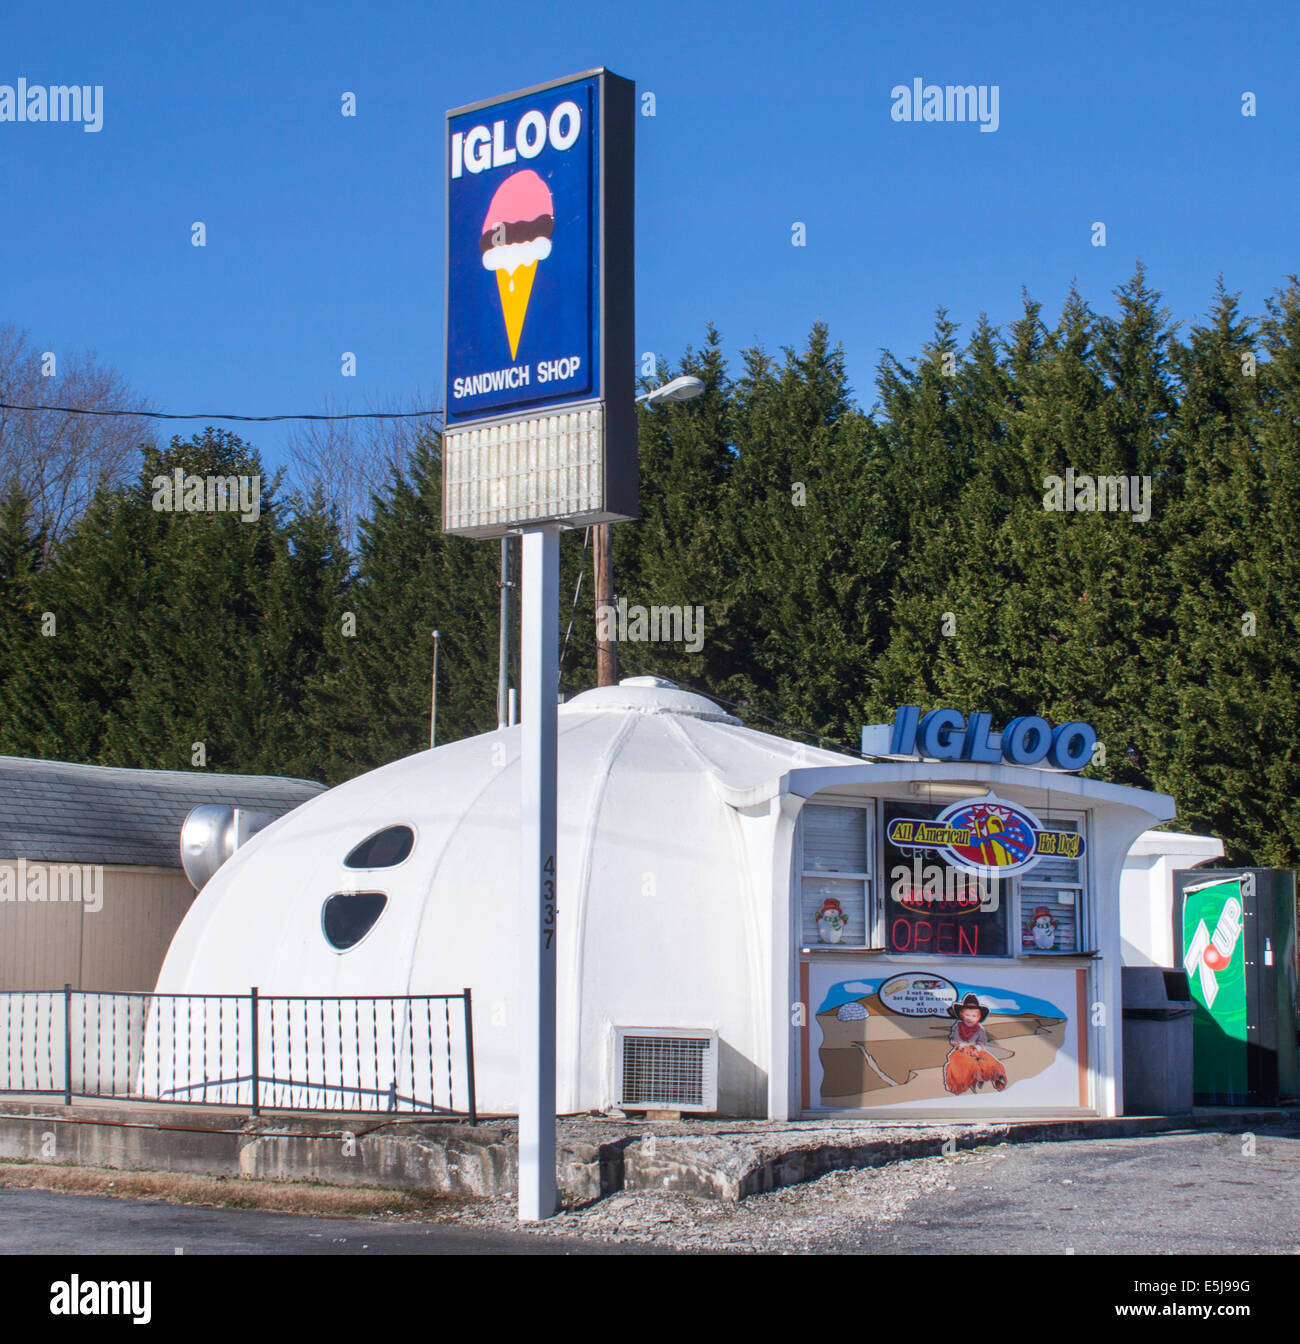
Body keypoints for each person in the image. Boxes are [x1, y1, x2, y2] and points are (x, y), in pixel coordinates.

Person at [943, 993, 1008, 1094]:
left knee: (989, 1060)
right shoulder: (958, 1026)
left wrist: (976, 1048)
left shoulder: (979, 1029)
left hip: (976, 1050)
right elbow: (954, 1039)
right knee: (964, 1062)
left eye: (974, 1016)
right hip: (961, 1050)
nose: (970, 1018)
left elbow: (982, 1042)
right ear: (961, 1014)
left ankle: (997, 1076)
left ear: (979, 1017)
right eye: (967, 1015)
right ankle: (972, 1078)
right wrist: (962, 1046)